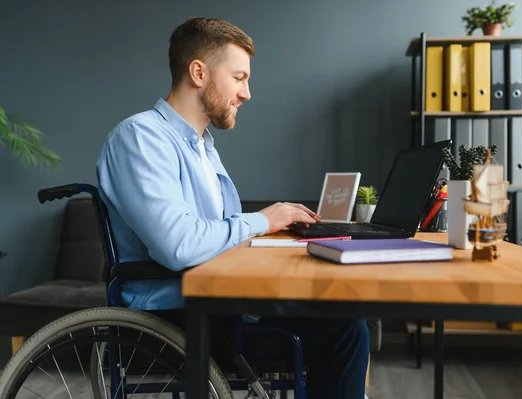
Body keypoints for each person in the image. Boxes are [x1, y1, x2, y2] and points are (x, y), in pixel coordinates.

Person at [96, 17, 369, 398]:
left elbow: (219, 234)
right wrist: (262, 220)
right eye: (239, 77)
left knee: (340, 315)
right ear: (198, 73)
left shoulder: (202, 147)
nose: (247, 93)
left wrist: (279, 232)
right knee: (345, 332)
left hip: (215, 305)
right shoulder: (140, 138)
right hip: (177, 318)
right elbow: (179, 246)